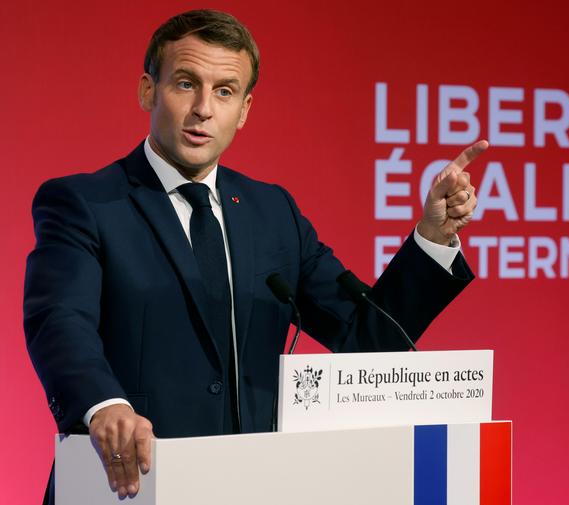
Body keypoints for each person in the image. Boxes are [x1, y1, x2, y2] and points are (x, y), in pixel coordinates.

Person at [23, 9, 487, 503]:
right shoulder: (86, 204)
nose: (204, 108)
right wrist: (103, 404)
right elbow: (59, 320)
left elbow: (367, 340)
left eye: (224, 91)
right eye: (185, 83)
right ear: (147, 91)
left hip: (253, 484)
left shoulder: (273, 212)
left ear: (244, 110)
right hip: (128, 481)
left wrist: (432, 238)